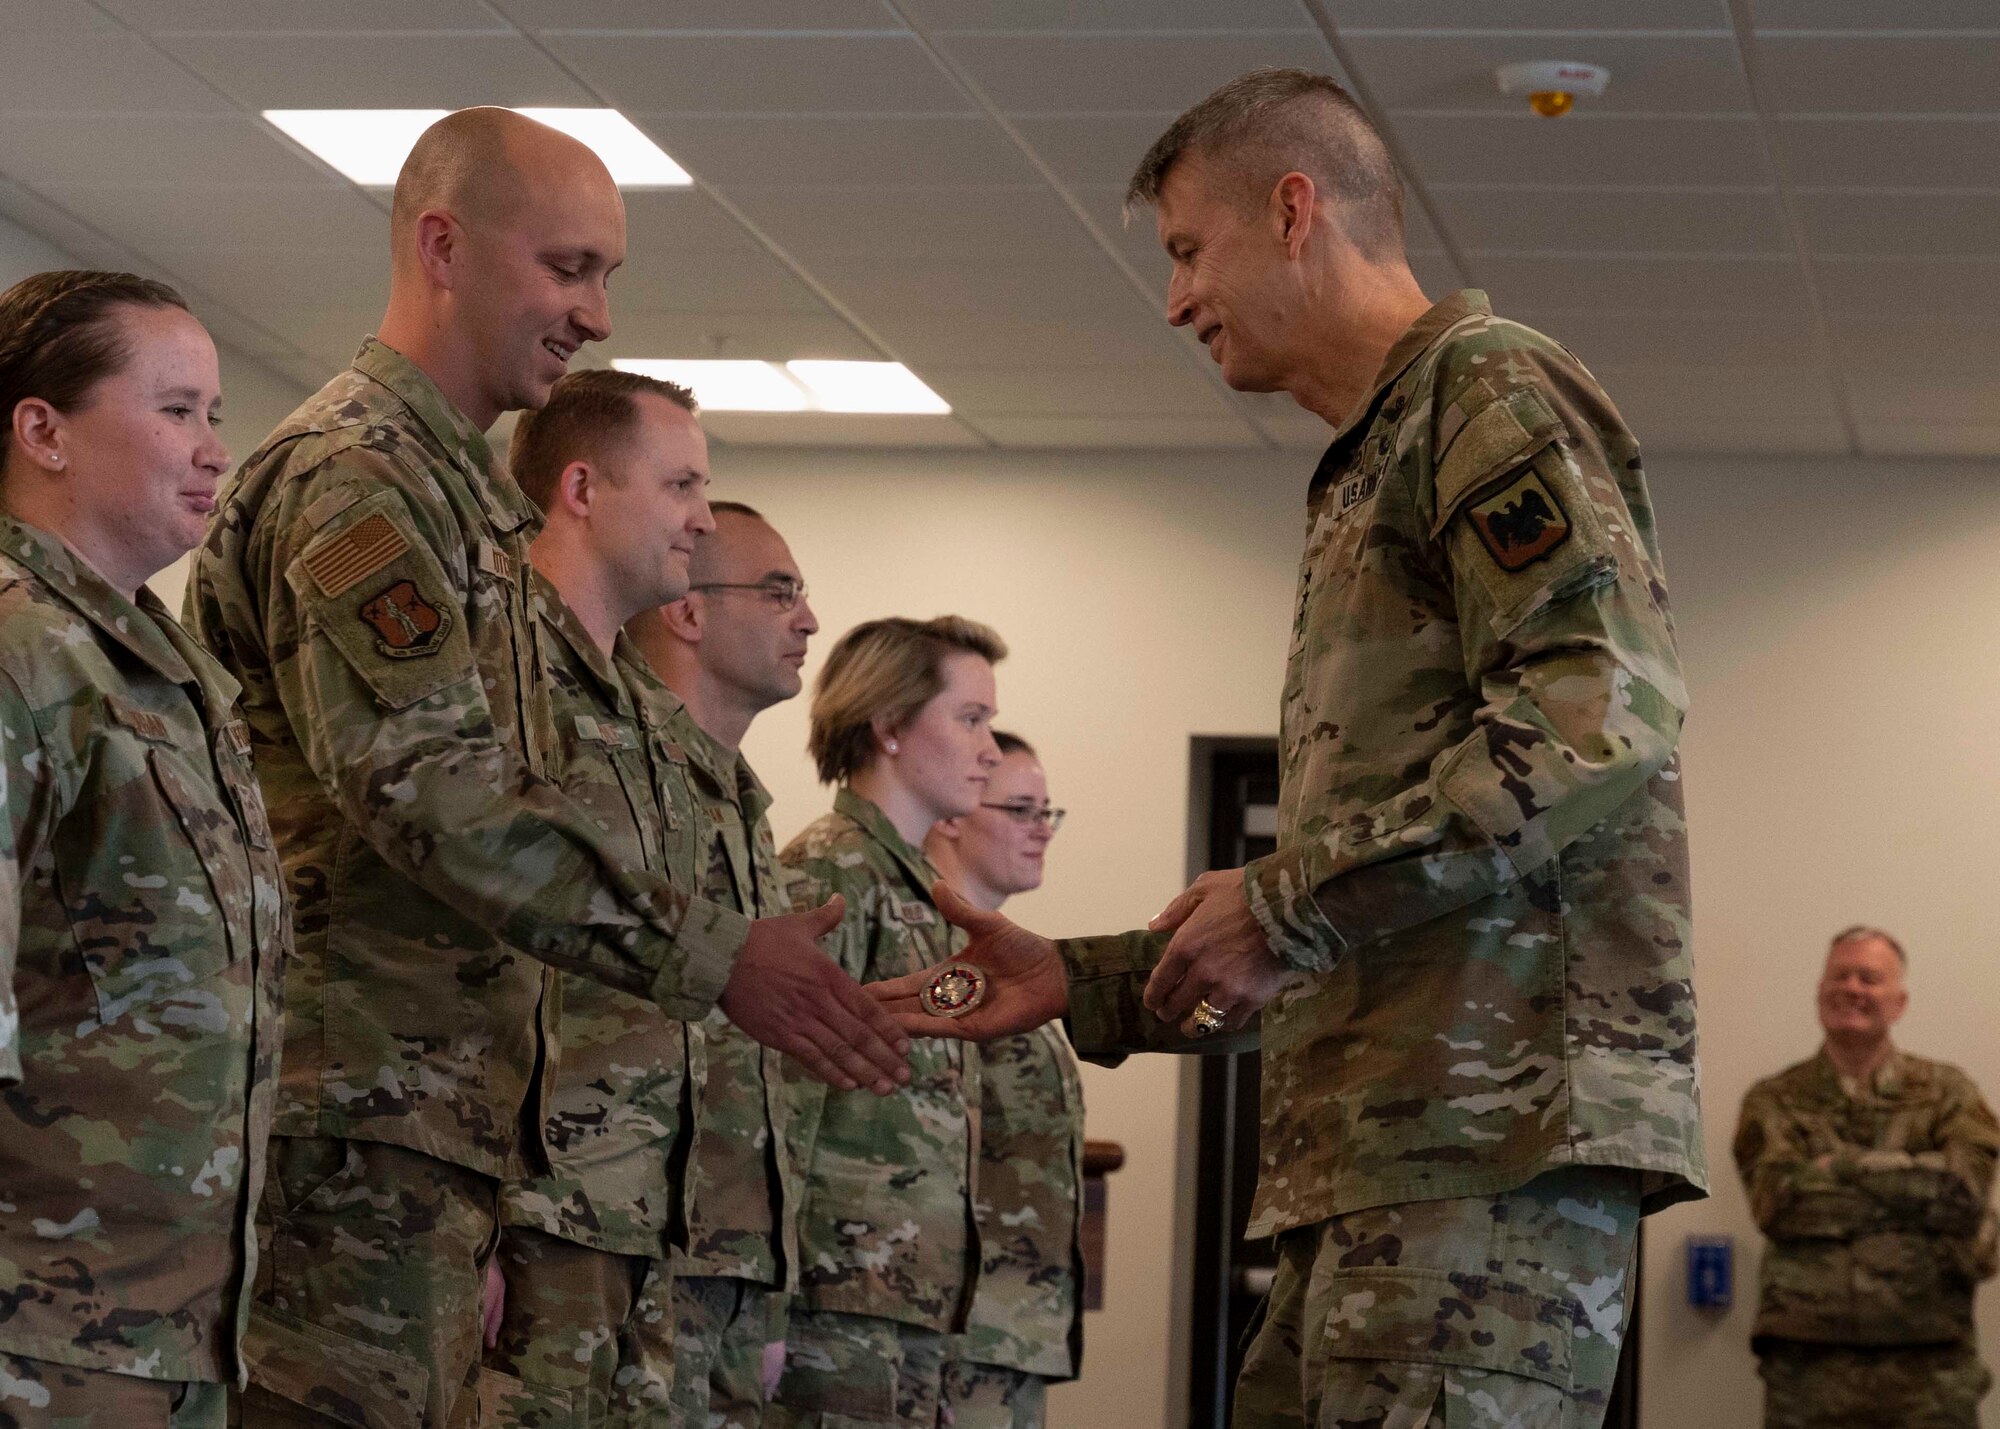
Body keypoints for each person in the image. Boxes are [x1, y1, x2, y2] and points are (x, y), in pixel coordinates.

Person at [871, 68, 1701, 1428]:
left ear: (1295, 209)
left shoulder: (1481, 395)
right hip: (1379, 1160)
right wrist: (1086, 983)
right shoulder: (1370, 458)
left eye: (1191, 249)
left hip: (1481, 1165)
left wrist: (1281, 903)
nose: (1177, 296)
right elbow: (1348, 906)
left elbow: (1593, 710)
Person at [182, 107, 907, 1427]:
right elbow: (435, 798)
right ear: (445, 246)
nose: (598, 315)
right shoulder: (360, 483)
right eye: (570, 269)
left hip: (433, 1121)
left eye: (608, 275)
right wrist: (715, 952)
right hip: (348, 1115)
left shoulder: (462, 504)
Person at [0, 270, 285, 1425]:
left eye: (215, 413)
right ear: (43, 430)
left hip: (173, 1326)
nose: (214, 448)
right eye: (176, 410)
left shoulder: (166, 673)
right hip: (41, 1330)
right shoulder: (23, 652)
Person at [477, 367, 725, 1422]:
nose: (703, 520)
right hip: (527, 1221)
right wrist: (478, 1220)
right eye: (679, 485)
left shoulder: (638, 709)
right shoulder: (491, 664)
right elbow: (467, 934)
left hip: (629, 1219)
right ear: (581, 488)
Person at [771, 617, 1007, 1428]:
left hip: (906, 1288)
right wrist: (768, 1301)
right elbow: (777, 1100)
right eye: (970, 719)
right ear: (892, 725)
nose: (992, 751)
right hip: (836, 1293)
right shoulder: (831, 870)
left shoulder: (922, 889)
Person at [629, 500, 820, 1429]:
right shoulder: (616, 779)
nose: (809, 618)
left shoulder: (740, 804)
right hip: (625, 1258)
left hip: (726, 1268)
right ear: (688, 611)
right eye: (779, 591)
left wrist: (768, 1293)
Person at [1734, 927, 1999, 1429]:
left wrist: (1838, 1171)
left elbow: (1964, 1197)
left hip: (1932, 1371)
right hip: (1807, 1373)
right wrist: (1917, 1180)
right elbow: (1778, 1204)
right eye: (1840, 975)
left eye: (1869, 978)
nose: (1851, 988)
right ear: (1819, 992)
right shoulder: (1773, 1099)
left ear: (1898, 1003)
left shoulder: (1950, 1094)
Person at [924, 733, 1085, 1429]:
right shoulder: (922, 956)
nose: (1041, 829)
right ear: (954, 811)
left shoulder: (1002, 966)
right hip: (949, 1331)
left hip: (1011, 1329)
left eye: (1049, 811)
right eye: (1021, 808)